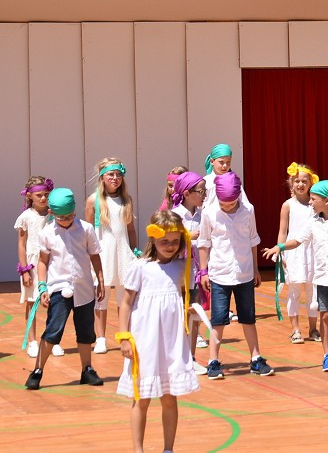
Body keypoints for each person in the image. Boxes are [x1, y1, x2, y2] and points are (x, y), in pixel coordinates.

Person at [116, 210, 200, 453]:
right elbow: (126, 303)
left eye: (175, 241)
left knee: (169, 397)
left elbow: (185, 298)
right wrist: (124, 337)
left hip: (172, 340)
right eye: (165, 241)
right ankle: (138, 449)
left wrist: (191, 310)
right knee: (141, 398)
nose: (170, 246)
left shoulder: (183, 267)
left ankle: (168, 449)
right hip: (145, 340)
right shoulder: (140, 267)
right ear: (153, 239)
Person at [264, 180, 328, 372]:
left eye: (314, 199)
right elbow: (298, 240)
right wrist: (280, 247)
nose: (311, 202)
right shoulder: (313, 222)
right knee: (325, 315)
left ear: (327, 200)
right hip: (322, 277)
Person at [25, 188, 106, 390]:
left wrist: (101, 280)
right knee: (53, 329)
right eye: (61, 217)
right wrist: (42, 286)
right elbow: (43, 262)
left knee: (86, 331)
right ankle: (38, 370)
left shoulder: (86, 229)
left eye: (70, 216)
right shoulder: (47, 233)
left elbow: (95, 255)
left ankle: (87, 369)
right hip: (59, 288)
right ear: (52, 213)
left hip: (84, 288)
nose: (66, 220)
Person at [197, 172, 273, 379]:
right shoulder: (209, 213)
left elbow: (253, 240)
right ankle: (213, 360)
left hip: (244, 273)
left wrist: (256, 269)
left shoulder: (248, 211)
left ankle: (255, 358)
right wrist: (204, 271)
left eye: (231, 203)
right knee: (218, 319)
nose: (228, 207)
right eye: (224, 203)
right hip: (219, 274)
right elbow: (204, 243)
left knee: (248, 318)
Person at [85, 157, 138, 354]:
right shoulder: (94, 200)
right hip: (104, 254)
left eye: (118, 174)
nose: (115, 178)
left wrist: (134, 250)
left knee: (124, 297)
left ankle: (124, 333)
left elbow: (130, 229)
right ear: (102, 177)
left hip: (124, 254)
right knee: (102, 296)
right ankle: (100, 338)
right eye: (110, 175)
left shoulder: (127, 200)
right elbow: (88, 230)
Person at [169, 171, 209, 373]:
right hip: (177, 274)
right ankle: (175, 357)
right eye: (200, 191)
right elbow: (166, 243)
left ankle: (190, 357)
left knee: (194, 314)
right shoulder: (174, 216)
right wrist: (188, 236)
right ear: (186, 193)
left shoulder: (204, 215)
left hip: (196, 273)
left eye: (204, 191)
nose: (203, 195)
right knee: (177, 316)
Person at [277, 162, 319, 344]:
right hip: (294, 251)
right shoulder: (287, 205)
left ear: (310, 183)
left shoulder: (316, 204)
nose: (300, 184)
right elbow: (282, 230)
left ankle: (313, 328)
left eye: (304, 181)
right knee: (294, 291)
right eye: (297, 181)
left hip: (313, 251)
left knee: (314, 292)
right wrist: (281, 251)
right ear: (291, 183)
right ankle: (295, 329)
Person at [15, 176, 56, 360]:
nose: (43, 198)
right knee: (33, 302)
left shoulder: (54, 214)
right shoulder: (25, 217)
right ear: (30, 196)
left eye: (46, 194)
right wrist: (24, 270)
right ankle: (32, 341)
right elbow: (22, 244)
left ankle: (52, 340)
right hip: (32, 263)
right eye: (39, 195)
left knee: (54, 302)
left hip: (52, 263)